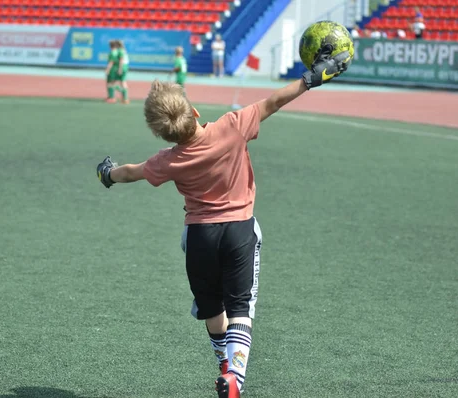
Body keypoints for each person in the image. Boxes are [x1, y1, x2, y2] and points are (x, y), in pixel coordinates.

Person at [96, 46, 351, 398]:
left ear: (161, 134)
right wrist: (310, 79)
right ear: (194, 111)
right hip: (239, 231)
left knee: (213, 308)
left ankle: (223, 363)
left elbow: (131, 172)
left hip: (198, 237)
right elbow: (274, 102)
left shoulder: (167, 160)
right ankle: (235, 378)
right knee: (241, 307)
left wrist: (107, 174)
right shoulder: (232, 126)